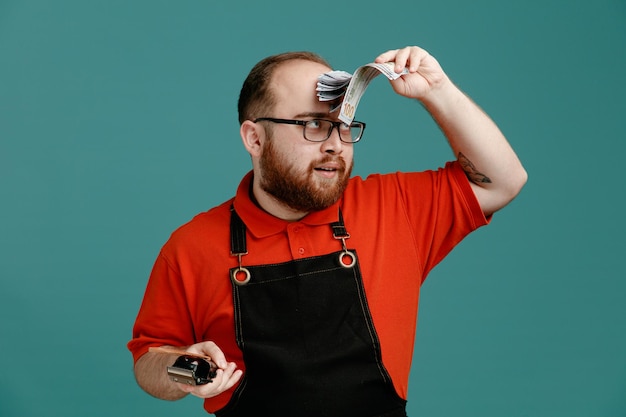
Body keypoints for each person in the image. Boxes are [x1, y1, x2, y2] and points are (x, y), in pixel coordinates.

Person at [128, 45, 527, 417]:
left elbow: (502, 181)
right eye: (314, 125)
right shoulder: (191, 245)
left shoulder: (393, 207)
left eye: (343, 125)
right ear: (254, 137)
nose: (336, 144)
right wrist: (183, 366)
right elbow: (149, 360)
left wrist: (437, 90)